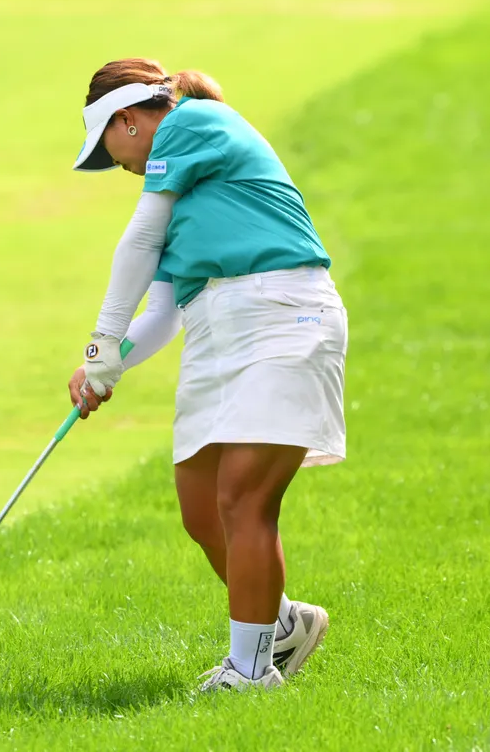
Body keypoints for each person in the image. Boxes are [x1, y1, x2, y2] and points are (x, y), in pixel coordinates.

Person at [66, 58, 348, 692]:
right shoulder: (180, 193)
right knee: (202, 511)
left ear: (128, 119)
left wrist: (102, 340)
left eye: (109, 149)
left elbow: (139, 240)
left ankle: (250, 672)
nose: (116, 165)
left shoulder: (191, 123)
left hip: (282, 314)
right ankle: (283, 625)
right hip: (213, 332)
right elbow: (162, 313)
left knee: (243, 499)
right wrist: (103, 367)